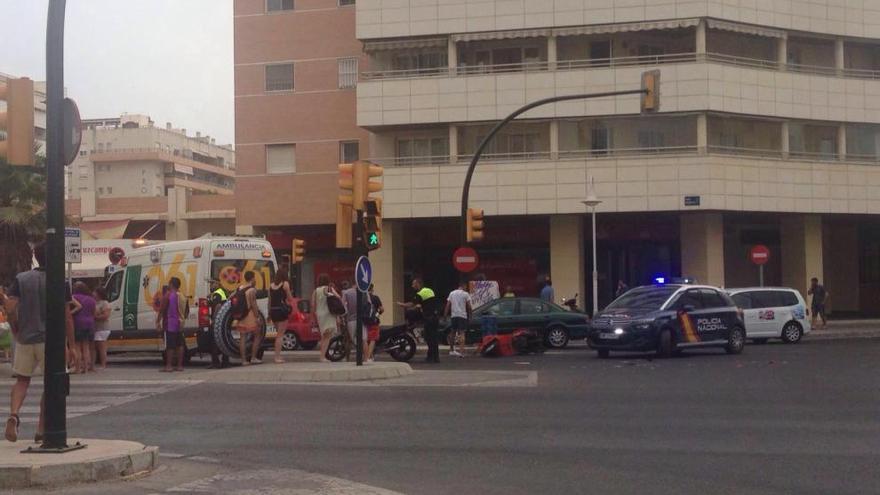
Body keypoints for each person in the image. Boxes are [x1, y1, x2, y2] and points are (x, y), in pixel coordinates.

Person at [4, 243, 77, 443]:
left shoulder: (22, 279)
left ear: (36, 256)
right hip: (50, 341)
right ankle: (41, 428)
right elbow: (66, 316)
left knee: (22, 380)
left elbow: (10, 308)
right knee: (50, 383)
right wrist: (72, 345)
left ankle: (14, 414)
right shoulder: (60, 281)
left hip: (26, 338)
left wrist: (16, 328)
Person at [398, 278, 442, 363]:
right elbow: (424, 304)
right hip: (435, 317)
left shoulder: (420, 293)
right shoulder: (429, 291)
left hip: (429, 318)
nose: (412, 286)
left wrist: (402, 305)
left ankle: (431, 357)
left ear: (418, 284)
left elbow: (412, 303)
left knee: (429, 338)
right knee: (434, 338)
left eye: (413, 284)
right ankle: (435, 357)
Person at [235, 271, 264, 365]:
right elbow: (253, 304)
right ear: (252, 278)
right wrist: (258, 317)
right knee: (257, 335)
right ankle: (253, 357)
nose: (255, 280)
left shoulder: (240, 288)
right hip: (250, 316)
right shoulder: (252, 290)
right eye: (254, 278)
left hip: (241, 315)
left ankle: (243, 360)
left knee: (242, 338)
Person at [158, 277, 186, 372]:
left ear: (171, 284)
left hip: (170, 323)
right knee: (180, 344)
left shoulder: (169, 295)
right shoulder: (182, 295)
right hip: (180, 322)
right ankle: (179, 366)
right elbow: (187, 310)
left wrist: (158, 321)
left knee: (170, 345)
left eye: (169, 284)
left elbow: (162, 309)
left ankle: (168, 366)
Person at [312, 274, 340, 363]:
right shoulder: (329, 289)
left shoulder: (315, 291)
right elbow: (338, 297)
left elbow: (313, 304)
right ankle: (322, 357)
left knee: (324, 335)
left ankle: (322, 355)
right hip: (328, 313)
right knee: (327, 337)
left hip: (319, 314)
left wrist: (315, 314)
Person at [269, 267, 294, 364]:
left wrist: (269, 313)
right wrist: (290, 293)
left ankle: (277, 356)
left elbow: (270, 301)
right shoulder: (285, 284)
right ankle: (277, 357)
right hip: (281, 311)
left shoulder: (271, 286)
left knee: (278, 334)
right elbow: (290, 298)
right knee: (280, 335)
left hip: (273, 311)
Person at [71, 282, 96, 374]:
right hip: (90, 323)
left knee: (77, 346)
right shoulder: (92, 299)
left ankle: (78, 367)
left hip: (78, 323)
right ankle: (86, 368)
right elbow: (94, 313)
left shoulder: (74, 297)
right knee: (86, 347)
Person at [342, 281, 369, 360]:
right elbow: (369, 303)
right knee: (364, 340)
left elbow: (343, 307)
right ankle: (366, 358)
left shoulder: (346, 293)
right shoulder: (364, 291)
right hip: (363, 319)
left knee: (351, 339)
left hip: (351, 320)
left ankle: (349, 358)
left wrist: (343, 317)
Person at [445, 280, 472, 358]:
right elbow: (469, 307)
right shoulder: (466, 294)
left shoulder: (452, 293)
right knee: (462, 333)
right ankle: (462, 352)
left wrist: (445, 315)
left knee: (453, 333)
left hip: (454, 316)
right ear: (464, 286)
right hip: (462, 316)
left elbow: (448, 305)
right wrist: (470, 315)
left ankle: (451, 350)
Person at [207, 280, 230, 369]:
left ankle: (215, 362)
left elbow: (218, 306)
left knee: (214, 342)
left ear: (217, 284)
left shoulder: (217, 294)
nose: (211, 286)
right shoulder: (223, 292)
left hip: (218, 321)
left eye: (212, 284)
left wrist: (214, 319)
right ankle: (225, 361)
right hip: (224, 320)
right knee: (223, 341)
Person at [92, 287, 111, 370]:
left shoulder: (105, 303)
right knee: (95, 347)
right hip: (96, 328)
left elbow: (106, 315)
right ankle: (93, 364)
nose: (93, 293)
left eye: (94, 292)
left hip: (102, 328)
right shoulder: (95, 302)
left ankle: (103, 365)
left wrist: (96, 317)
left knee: (101, 347)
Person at [366, 284, 384, 363]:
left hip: (364, 321)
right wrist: (377, 314)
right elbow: (382, 309)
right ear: (372, 289)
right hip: (374, 321)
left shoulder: (363, 297)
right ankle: (368, 357)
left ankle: (369, 356)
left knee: (365, 340)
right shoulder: (375, 298)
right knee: (372, 339)